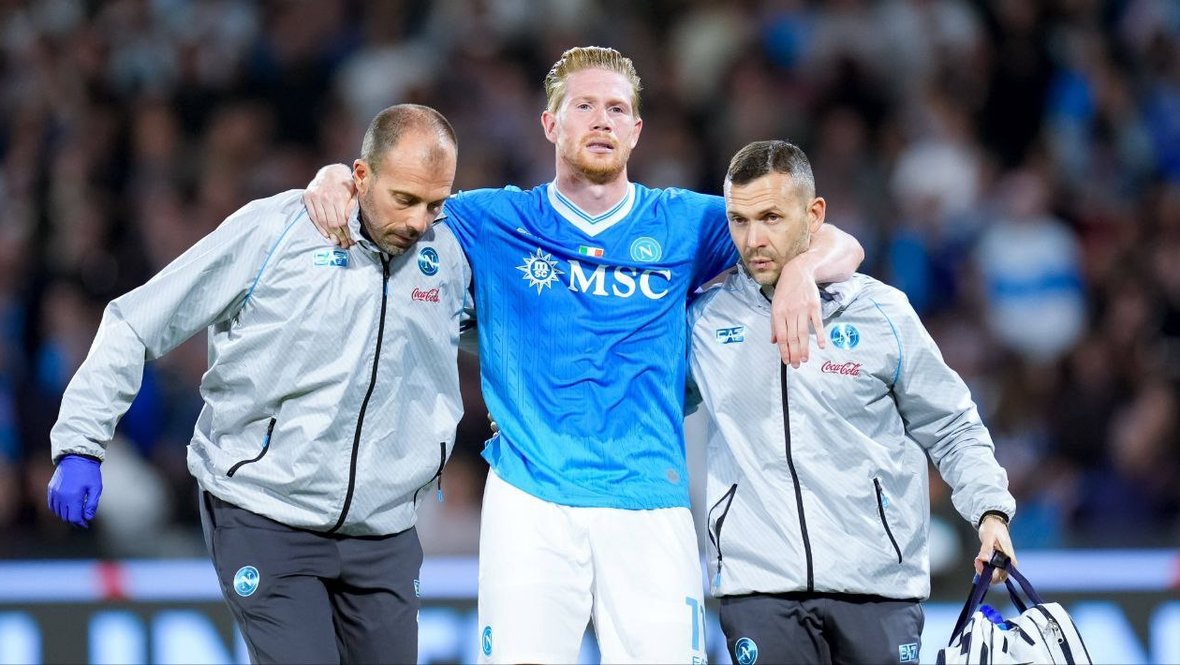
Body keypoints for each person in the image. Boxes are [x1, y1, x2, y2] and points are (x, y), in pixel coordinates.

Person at [304, 47, 864, 663]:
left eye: (617, 109)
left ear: (636, 130)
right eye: (585, 106)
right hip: (530, 501)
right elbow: (390, 199)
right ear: (550, 124)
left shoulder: (683, 221)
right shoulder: (495, 219)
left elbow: (837, 241)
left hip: (649, 500)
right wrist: (335, 177)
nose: (602, 120)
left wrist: (801, 270)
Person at [46, 104, 469, 664]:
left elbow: (511, 337)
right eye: (405, 199)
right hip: (265, 513)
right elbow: (137, 321)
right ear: (362, 175)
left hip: (385, 530)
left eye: (435, 204)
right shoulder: (276, 231)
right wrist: (80, 442)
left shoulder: (450, 254)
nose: (418, 222)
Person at [686, 139, 1016, 664]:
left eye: (771, 217)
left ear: (814, 215)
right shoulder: (705, 321)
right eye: (739, 221)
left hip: (878, 585)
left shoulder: (881, 313)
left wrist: (991, 512)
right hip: (759, 589)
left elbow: (952, 425)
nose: (753, 239)